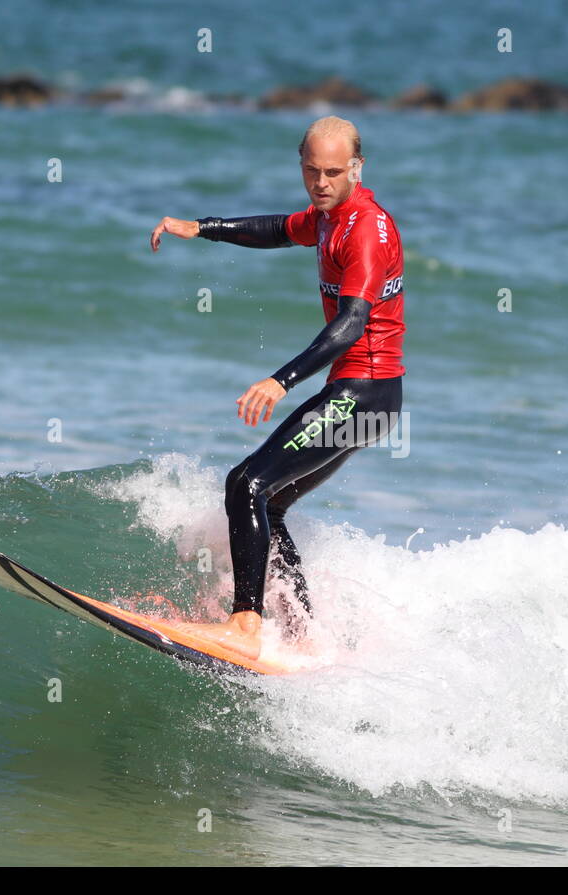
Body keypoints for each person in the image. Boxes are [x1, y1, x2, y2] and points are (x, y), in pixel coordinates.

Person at [148, 115, 405, 660]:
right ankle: (302, 632)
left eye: (334, 172)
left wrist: (281, 379)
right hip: (374, 399)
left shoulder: (362, 229)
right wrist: (203, 227)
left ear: (358, 167)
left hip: (361, 395)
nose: (321, 182)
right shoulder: (331, 216)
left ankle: (245, 625)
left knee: (245, 484)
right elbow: (277, 230)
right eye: (312, 170)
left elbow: (352, 323)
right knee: (273, 502)